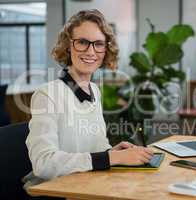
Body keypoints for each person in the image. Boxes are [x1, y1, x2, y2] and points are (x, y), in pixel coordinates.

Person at [24, 9, 154, 190]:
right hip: (56, 191)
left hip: (89, 184)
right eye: (82, 42)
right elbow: (43, 164)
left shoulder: (94, 90)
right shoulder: (47, 95)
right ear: (68, 46)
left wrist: (111, 152)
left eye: (99, 44)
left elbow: (93, 148)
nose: (91, 51)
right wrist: (111, 158)